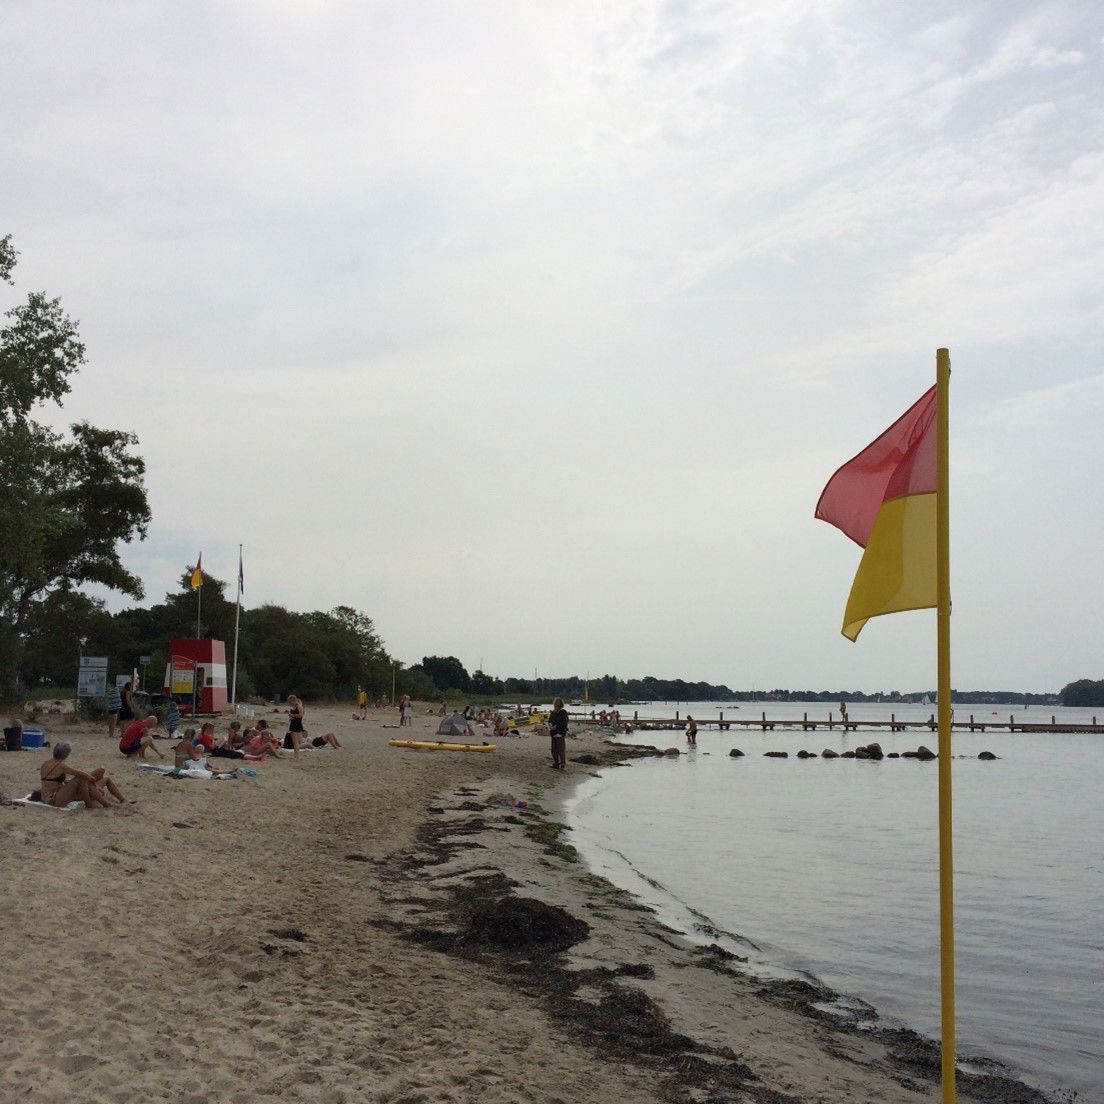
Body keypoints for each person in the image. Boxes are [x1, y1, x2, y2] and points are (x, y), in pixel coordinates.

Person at [40, 742, 125, 808]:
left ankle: (123, 800)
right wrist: (95, 784)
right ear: (65, 755)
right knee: (82, 778)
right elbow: (81, 774)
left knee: (105, 778)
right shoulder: (61, 766)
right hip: (53, 798)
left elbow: (52, 780)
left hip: (61, 792)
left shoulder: (46, 763)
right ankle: (93, 804)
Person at [549, 697, 569, 771]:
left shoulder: (563, 712)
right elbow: (550, 720)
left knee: (561, 749)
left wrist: (556, 726)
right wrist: (551, 726)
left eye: (558, 702)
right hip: (553, 732)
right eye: (556, 702)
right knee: (554, 749)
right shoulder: (553, 712)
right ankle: (556, 763)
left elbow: (564, 722)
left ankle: (562, 763)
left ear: (561, 704)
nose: (557, 704)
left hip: (560, 732)